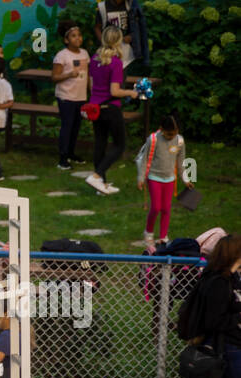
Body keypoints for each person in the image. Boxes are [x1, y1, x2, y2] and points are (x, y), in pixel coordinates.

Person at [177, 235, 241, 378]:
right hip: (226, 351)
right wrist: (238, 318)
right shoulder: (217, 283)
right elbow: (214, 320)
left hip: (230, 348)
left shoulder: (233, 279)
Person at [85, 25, 134, 196]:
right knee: (119, 145)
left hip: (96, 107)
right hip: (111, 108)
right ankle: (97, 176)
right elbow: (115, 91)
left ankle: (101, 184)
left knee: (100, 143)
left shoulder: (94, 59)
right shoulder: (115, 62)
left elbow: (91, 86)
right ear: (119, 41)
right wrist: (130, 92)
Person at [135, 114, 185, 244]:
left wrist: (185, 179)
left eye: (174, 134)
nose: (171, 137)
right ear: (161, 129)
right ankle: (149, 232)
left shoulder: (179, 141)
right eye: (168, 134)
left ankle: (163, 236)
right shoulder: (153, 140)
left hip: (170, 179)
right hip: (154, 177)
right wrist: (141, 178)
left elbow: (181, 162)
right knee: (156, 207)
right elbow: (144, 159)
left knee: (166, 209)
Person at [52, 22, 90, 171]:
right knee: (67, 126)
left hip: (80, 96)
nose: (78, 38)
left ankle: (71, 153)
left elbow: (88, 76)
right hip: (66, 96)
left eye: (79, 35)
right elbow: (54, 77)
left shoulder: (85, 54)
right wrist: (68, 74)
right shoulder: (62, 56)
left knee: (76, 126)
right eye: (73, 36)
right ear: (66, 40)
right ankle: (62, 158)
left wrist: (91, 92)